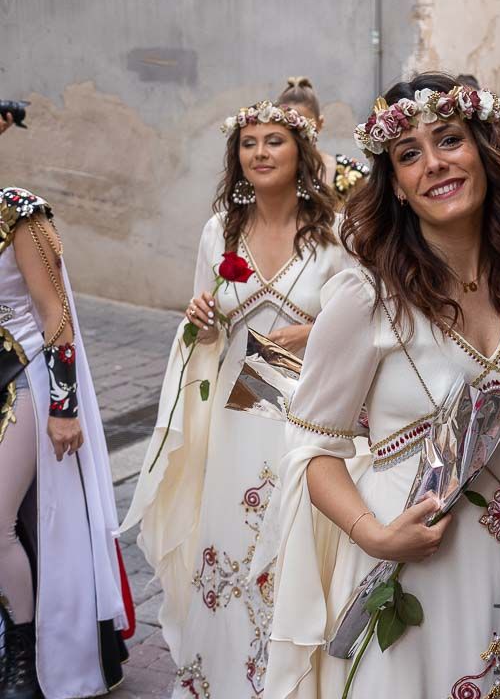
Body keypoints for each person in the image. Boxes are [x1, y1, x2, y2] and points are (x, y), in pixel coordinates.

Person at [256, 74, 500, 696]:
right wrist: (376, 534)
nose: (434, 163)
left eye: (449, 140)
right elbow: (310, 446)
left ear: (484, 152)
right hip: (409, 566)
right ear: (398, 187)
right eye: (410, 154)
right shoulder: (366, 296)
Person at [121, 100, 348, 697]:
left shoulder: (337, 233)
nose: (260, 153)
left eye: (274, 140)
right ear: (236, 154)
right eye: (249, 143)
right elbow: (208, 330)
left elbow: (365, 320)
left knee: (295, 541)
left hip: (313, 412)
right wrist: (200, 319)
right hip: (237, 406)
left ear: (300, 151)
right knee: (229, 541)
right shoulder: (218, 230)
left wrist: (312, 330)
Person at [0, 187, 128, 699]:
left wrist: (63, 406)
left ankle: (27, 658)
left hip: (24, 378)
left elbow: (55, 314)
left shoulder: (18, 212)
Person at [277, 77, 371, 203]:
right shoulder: (267, 173)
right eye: (288, 125)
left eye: (304, 124)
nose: (297, 132)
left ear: (319, 123)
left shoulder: (349, 174)